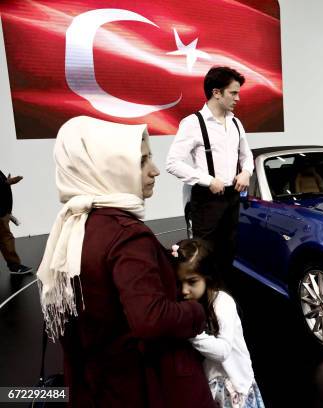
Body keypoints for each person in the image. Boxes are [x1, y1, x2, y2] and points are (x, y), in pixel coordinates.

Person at [37, 116, 214, 407]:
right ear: (111, 167)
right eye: (142, 161)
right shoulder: (127, 236)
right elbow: (151, 319)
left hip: (95, 385)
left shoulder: (75, 228)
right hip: (141, 386)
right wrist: (196, 311)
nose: (155, 171)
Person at [166, 66, 254, 275]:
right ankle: (203, 303)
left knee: (228, 251)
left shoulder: (236, 123)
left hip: (232, 197)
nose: (238, 98)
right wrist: (207, 180)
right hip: (207, 200)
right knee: (203, 255)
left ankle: (223, 296)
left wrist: (246, 172)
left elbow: (247, 155)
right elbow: (172, 162)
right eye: (233, 93)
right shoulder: (192, 123)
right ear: (216, 92)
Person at [171, 239, 265, 408]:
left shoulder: (223, 302)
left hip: (235, 386)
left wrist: (191, 331)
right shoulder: (190, 305)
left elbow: (222, 351)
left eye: (192, 282)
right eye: (180, 283)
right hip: (213, 386)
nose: (184, 290)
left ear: (206, 277)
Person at [0, 170, 32, 275]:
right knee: (6, 238)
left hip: (3, 212)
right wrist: (7, 183)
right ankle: (14, 266)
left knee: (6, 238)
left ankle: (14, 265)